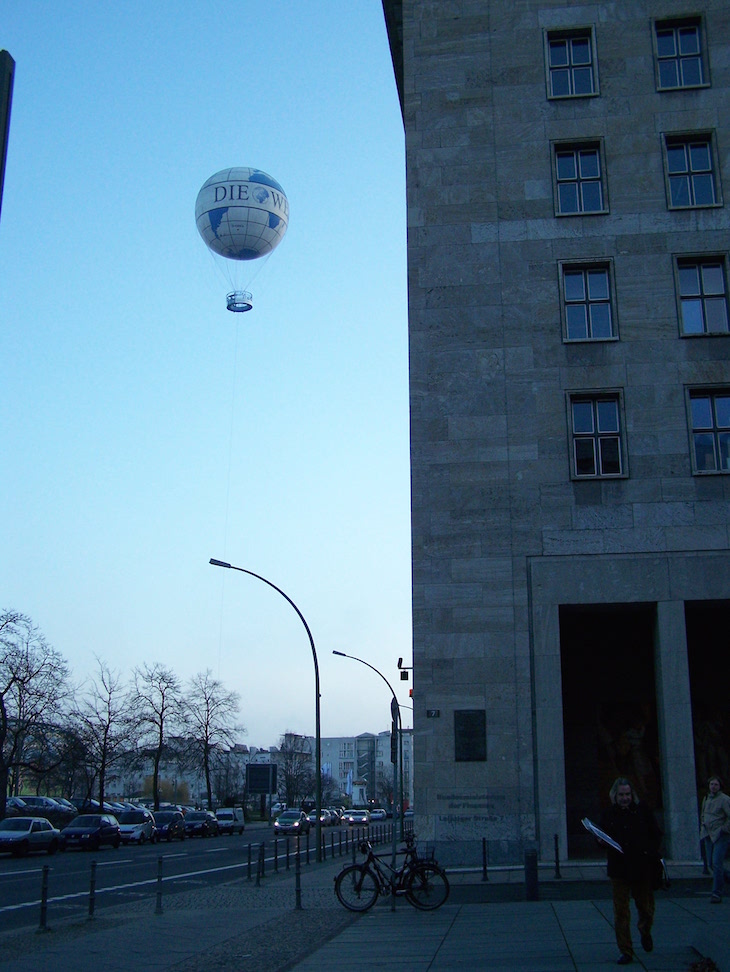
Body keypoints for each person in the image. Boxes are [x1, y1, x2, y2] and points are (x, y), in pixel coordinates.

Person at [599, 777, 662, 965]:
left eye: (627, 794)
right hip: (619, 869)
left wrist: (649, 853)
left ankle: (645, 929)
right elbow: (602, 836)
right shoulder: (609, 814)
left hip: (641, 867)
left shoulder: (642, 811)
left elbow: (655, 834)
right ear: (615, 796)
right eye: (621, 795)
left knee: (646, 907)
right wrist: (600, 841)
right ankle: (625, 950)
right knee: (621, 911)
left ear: (632, 794)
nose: (625, 798)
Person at [699, 775, 730, 903]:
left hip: (720, 834)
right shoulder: (706, 798)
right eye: (712, 784)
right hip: (708, 834)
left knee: (717, 863)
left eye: (716, 784)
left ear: (720, 786)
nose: (713, 787)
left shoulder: (725, 799)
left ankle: (716, 893)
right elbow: (703, 813)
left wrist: (724, 828)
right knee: (711, 864)